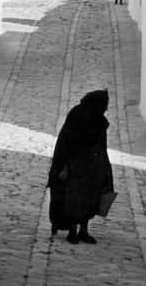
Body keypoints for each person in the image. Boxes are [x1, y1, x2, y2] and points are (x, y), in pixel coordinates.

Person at [47, 88, 114, 244]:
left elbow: (101, 145)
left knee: (90, 198)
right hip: (75, 166)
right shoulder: (77, 116)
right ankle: (72, 230)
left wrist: (104, 167)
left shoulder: (98, 119)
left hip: (92, 167)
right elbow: (67, 143)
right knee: (74, 199)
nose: (106, 108)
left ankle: (84, 230)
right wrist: (64, 167)